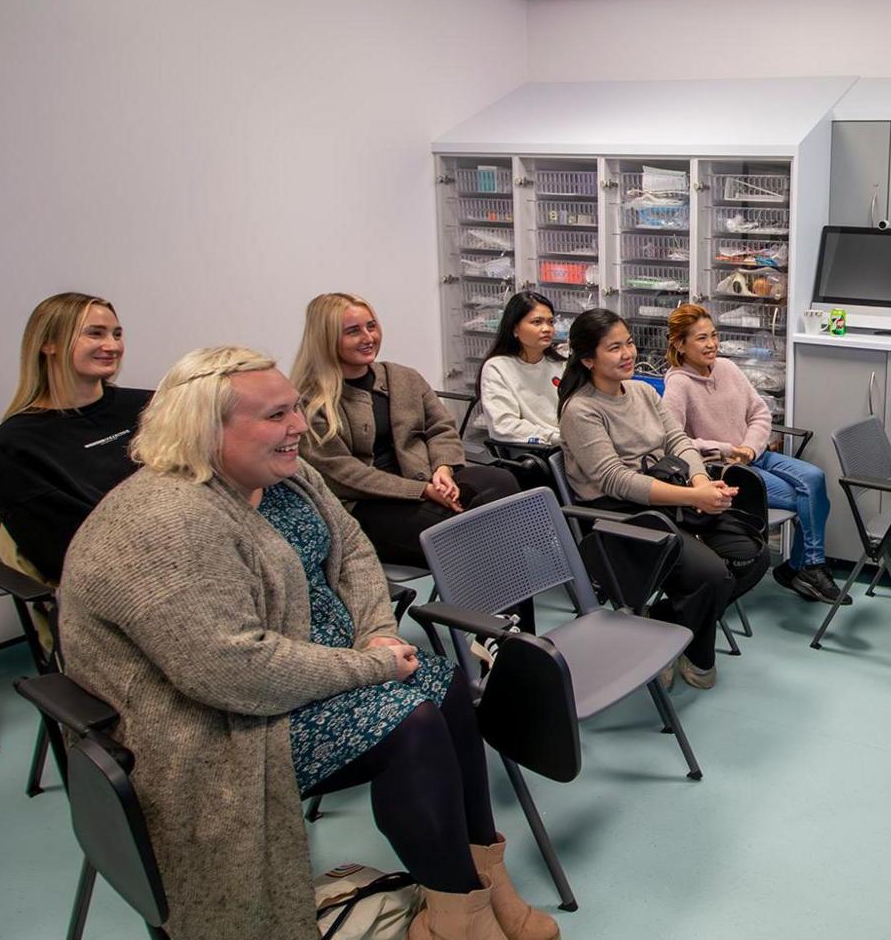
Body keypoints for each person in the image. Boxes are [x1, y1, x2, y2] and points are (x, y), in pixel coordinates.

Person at [57, 347, 554, 940]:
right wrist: (368, 666)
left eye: (295, 407)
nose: (298, 425)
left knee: (442, 681)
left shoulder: (286, 477)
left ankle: (481, 879)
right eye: (276, 415)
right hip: (214, 726)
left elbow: (352, 549)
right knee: (411, 723)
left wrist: (377, 631)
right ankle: (454, 922)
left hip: (313, 671)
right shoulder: (161, 522)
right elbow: (233, 672)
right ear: (206, 430)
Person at [558, 309, 739, 689]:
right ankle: (693, 651)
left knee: (747, 556)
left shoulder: (641, 390)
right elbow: (615, 479)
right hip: (617, 520)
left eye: (628, 343)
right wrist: (693, 496)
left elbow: (678, 440)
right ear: (588, 359)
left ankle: (664, 625)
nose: (627, 353)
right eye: (614, 348)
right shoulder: (581, 410)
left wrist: (702, 481)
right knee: (712, 575)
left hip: (663, 499)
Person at [291, 292, 519, 567]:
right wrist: (421, 491)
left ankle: (502, 595)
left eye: (371, 326)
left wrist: (443, 469)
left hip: (426, 478)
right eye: (353, 332)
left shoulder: (403, 378)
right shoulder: (310, 401)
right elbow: (344, 474)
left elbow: (441, 427)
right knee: (457, 531)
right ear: (326, 339)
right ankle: (494, 598)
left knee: (501, 482)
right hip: (367, 504)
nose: (368, 338)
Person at [660, 303, 848, 605]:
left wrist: (750, 445)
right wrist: (727, 450)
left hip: (755, 454)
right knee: (811, 498)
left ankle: (803, 567)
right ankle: (808, 567)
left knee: (815, 477)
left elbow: (760, 412)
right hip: (726, 470)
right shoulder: (678, 386)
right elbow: (674, 442)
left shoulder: (728, 368)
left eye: (714, 335)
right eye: (701, 338)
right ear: (680, 344)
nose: (711, 344)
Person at [0, 292, 152, 584]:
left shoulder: (151, 406)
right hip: (117, 581)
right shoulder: (14, 445)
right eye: (95, 334)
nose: (112, 346)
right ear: (48, 344)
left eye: (117, 334)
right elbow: (63, 552)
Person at [477, 291, 566, 446]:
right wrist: (555, 438)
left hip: (571, 445)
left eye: (551, 322)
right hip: (536, 452)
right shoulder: (497, 367)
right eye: (537, 322)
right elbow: (505, 425)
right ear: (515, 329)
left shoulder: (560, 363)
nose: (547, 329)